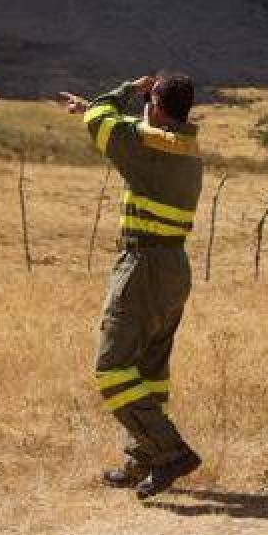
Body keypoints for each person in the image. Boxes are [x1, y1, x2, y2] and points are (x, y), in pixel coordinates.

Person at [60, 73, 204, 500]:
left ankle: (170, 452)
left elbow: (104, 119)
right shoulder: (184, 147)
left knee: (112, 368)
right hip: (174, 265)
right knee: (150, 371)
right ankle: (144, 454)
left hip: (143, 265)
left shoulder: (144, 144)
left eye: (148, 100)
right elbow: (119, 129)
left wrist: (124, 90)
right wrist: (97, 109)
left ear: (155, 105)